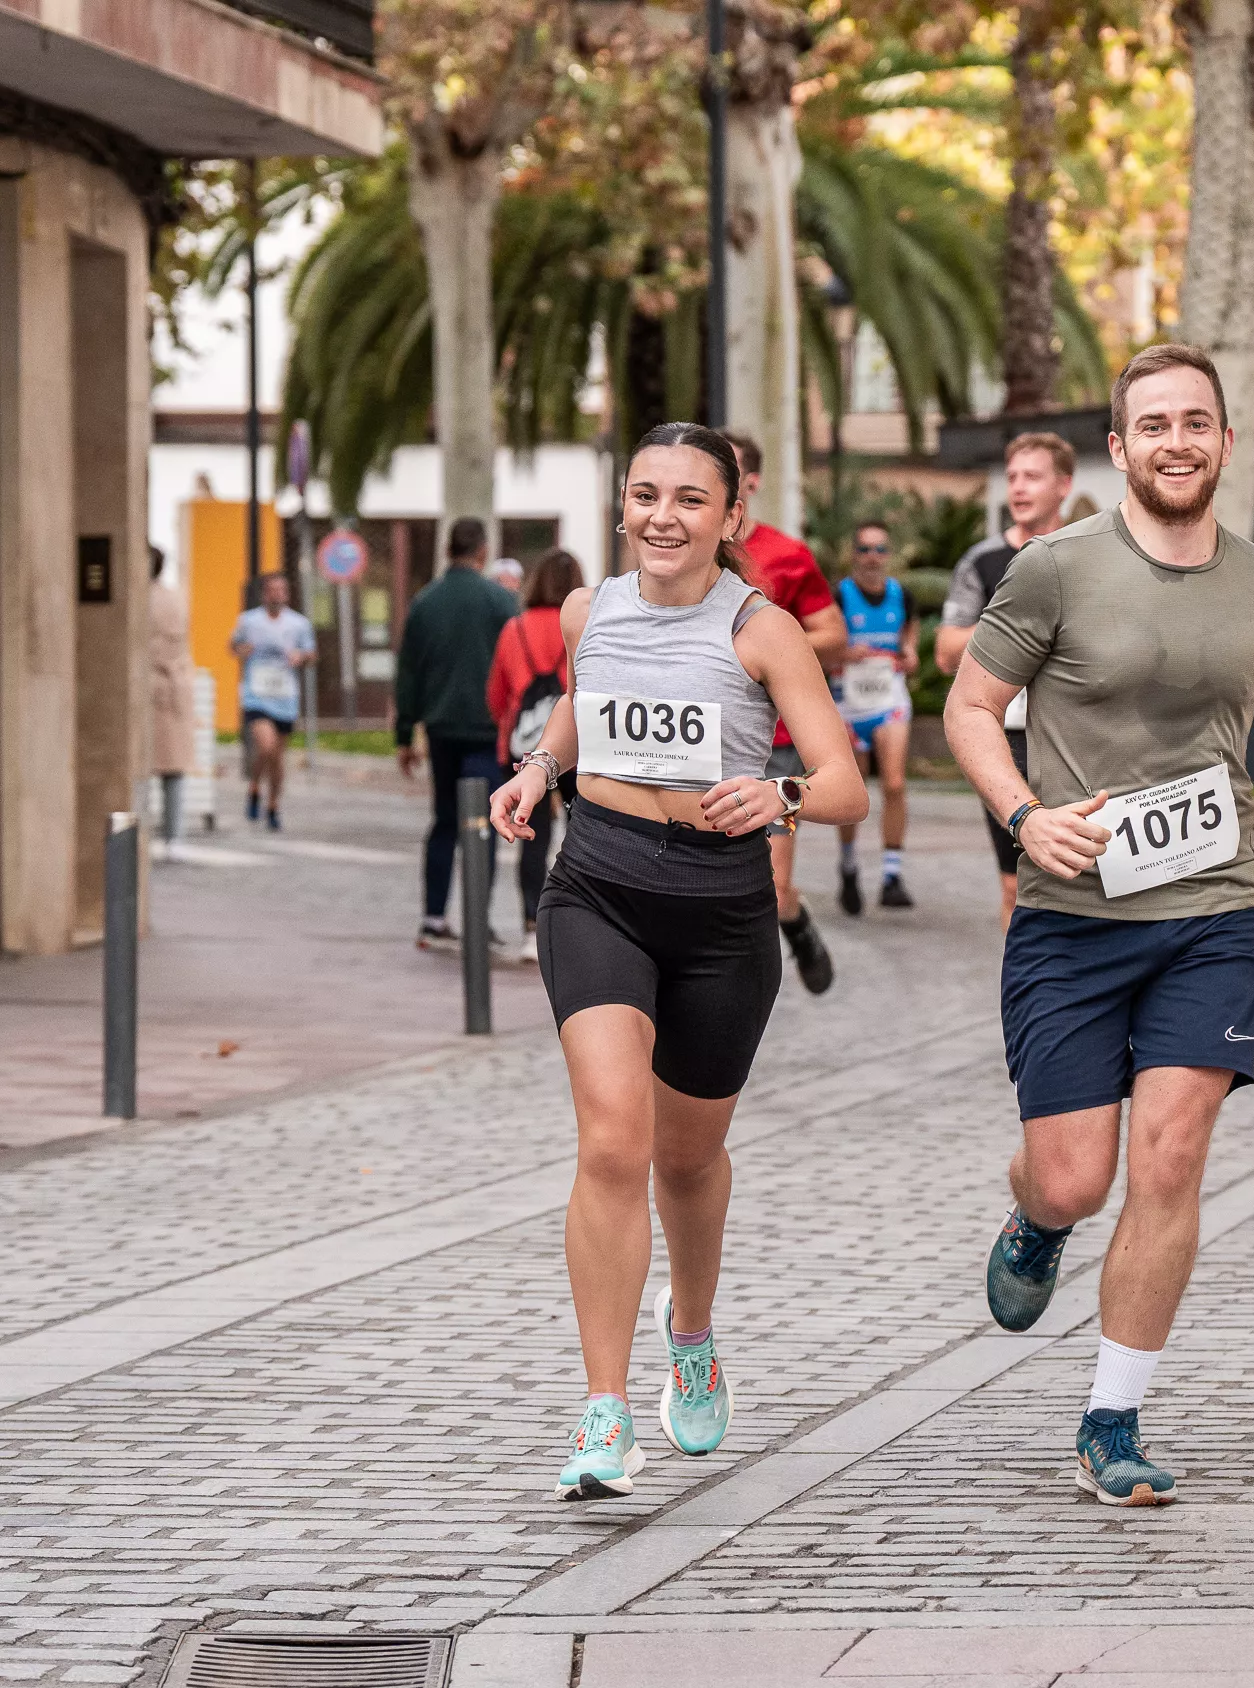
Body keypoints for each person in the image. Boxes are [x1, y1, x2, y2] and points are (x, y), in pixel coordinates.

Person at [945, 344, 1254, 1506]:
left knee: (1171, 1159)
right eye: (1154, 425)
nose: (1178, 441)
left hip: (1214, 909)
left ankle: (1111, 1417)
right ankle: (1036, 1217)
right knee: (1079, 1176)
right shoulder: (1054, 571)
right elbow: (971, 706)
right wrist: (1025, 816)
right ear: (1120, 450)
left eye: (1198, 421)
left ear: (1226, 441)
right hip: (1074, 916)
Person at [489, 421, 867, 1499]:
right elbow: (579, 709)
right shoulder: (585, 608)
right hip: (596, 885)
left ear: (730, 516)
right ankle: (603, 1411)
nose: (663, 516)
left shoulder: (764, 631)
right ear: (622, 505)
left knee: (687, 1160)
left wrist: (781, 794)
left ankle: (690, 1331)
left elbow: (838, 780)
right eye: (645, 494)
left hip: (719, 908)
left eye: (690, 499)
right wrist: (537, 769)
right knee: (614, 1138)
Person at [721, 430, 849, 993]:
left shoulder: (787, 555)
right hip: (699, 742)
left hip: (773, 741)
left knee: (770, 885)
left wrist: (768, 650)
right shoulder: (677, 557)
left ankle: (794, 924)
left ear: (751, 483)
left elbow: (834, 634)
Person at [941, 430, 1078, 929]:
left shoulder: (1086, 555)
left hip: (1077, 734)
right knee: (1015, 882)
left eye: (1032, 477)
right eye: (1013, 478)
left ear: (1064, 485)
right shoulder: (983, 562)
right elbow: (946, 649)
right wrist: (1021, 625)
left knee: (1083, 877)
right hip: (1009, 736)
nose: (1018, 489)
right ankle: (1024, 1002)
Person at [396, 517, 522, 949]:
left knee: (445, 820)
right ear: (482, 551)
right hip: (488, 730)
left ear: (449, 549)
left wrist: (403, 734)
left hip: (441, 727)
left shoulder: (425, 602)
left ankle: (432, 916)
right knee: (482, 821)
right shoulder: (501, 602)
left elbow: (408, 673)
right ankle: (476, 918)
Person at [488, 548, 586, 964]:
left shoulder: (516, 629)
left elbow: (496, 694)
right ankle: (586, 921)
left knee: (532, 834)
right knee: (586, 830)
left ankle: (532, 926)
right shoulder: (588, 623)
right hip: (581, 744)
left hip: (527, 748)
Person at [831, 520, 918, 914]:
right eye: (864, 549)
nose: (872, 557)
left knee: (895, 785)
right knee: (855, 793)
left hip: (889, 701)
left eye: (880, 549)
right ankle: (849, 865)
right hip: (848, 705)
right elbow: (821, 647)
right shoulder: (839, 596)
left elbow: (909, 643)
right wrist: (847, 654)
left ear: (889, 555)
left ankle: (891, 875)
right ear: (854, 555)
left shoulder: (902, 595)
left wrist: (909, 656)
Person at [229, 571, 315, 832]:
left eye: (281, 589)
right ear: (264, 593)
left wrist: (300, 657)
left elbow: (311, 654)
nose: (277, 594)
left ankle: (273, 805)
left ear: (287, 593)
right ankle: (255, 785)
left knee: (278, 757)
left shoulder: (298, 624)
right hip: (257, 693)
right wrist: (242, 650)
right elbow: (233, 646)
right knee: (265, 747)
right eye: (272, 590)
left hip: (285, 695)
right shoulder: (248, 621)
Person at [148, 546, 194, 846]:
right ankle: (173, 836)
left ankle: (140, 835)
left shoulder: (140, 598)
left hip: (152, 688)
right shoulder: (175, 597)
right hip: (176, 688)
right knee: (172, 770)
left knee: (140, 769)